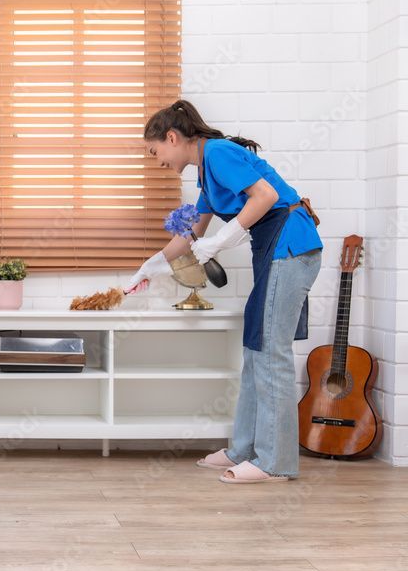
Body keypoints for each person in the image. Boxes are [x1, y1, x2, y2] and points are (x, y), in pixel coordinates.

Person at [126, 100, 322, 484]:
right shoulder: (205, 172)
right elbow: (191, 234)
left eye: (155, 151)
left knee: (271, 353)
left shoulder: (217, 153)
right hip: (275, 250)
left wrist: (223, 240)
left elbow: (264, 196)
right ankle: (244, 449)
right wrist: (149, 266)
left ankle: (275, 462)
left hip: (290, 246)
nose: (157, 160)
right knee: (255, 350)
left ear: (172, 137)